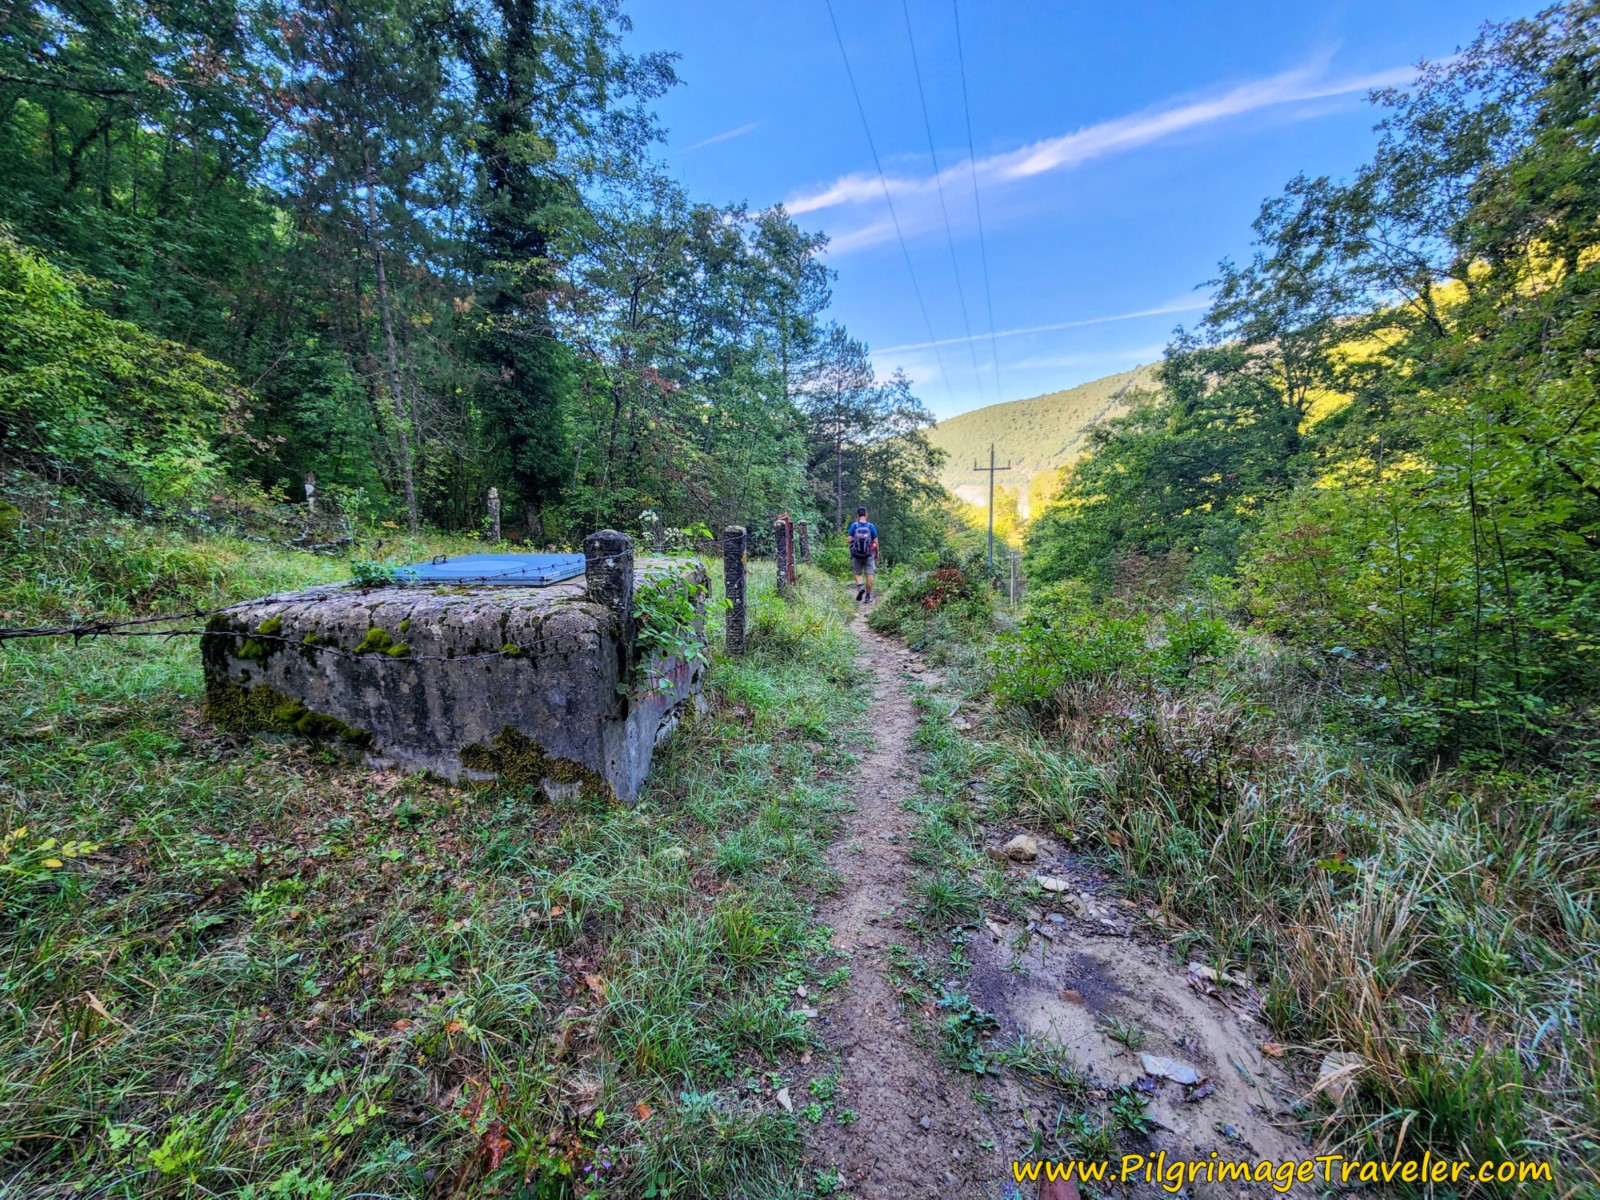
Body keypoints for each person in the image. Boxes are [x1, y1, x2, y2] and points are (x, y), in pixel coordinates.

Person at [846, 506, 878, 602]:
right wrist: (876, 553)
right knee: (869, 575)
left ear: (857, 515)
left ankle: (860, 586)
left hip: (856, 554)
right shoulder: (871, 526)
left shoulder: (854, 526)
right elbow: (875, 541)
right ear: (866, 515)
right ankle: (868, 597)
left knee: (857, 573)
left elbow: (849, 540)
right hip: (869, 554)